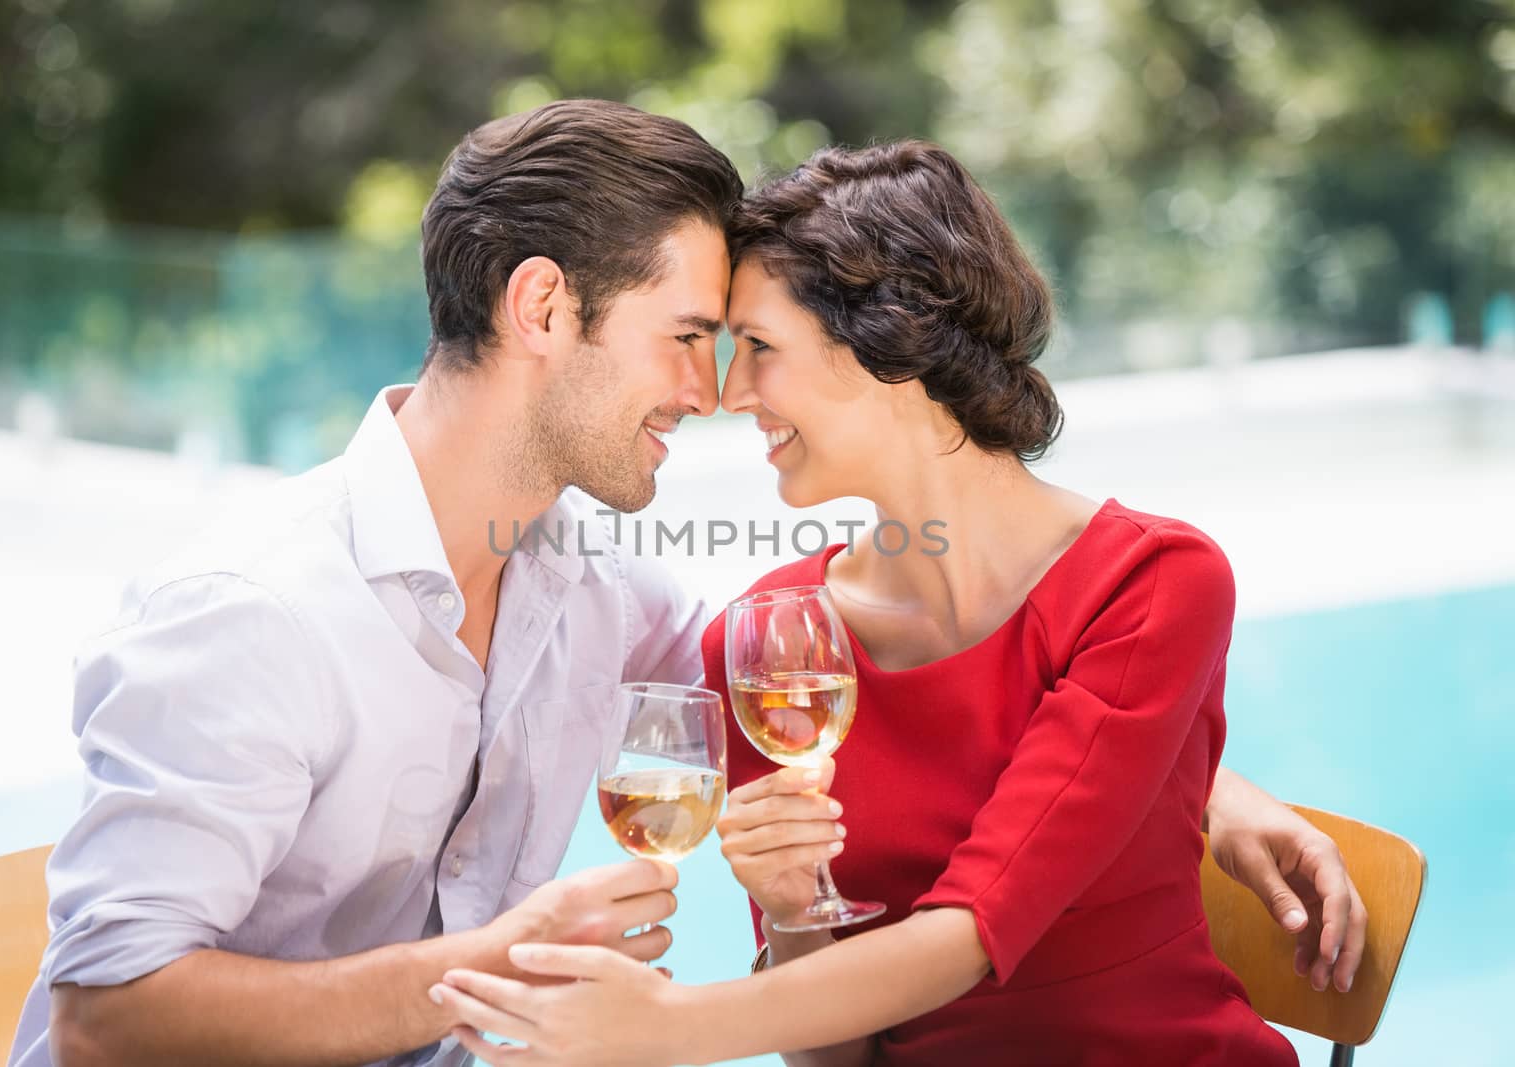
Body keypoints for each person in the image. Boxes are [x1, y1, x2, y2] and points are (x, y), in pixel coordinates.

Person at [12, 102, 1360, 1067]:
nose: (712, 394)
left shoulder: (596, 607)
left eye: (742, 346)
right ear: (543, 310)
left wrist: (1195, 775)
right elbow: (107, 1020)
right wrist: (486, 971)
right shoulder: (250, 608)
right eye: (691, 339)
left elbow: (912, 692)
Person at [431, 141, 1366, 1067]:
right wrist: (796, 909)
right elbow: (838, 1060)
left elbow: (974, 927)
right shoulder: (770, 640)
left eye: (758, 346)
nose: (727, 392)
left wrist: (670, 1028)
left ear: (892, 341)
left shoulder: (1152, 581)